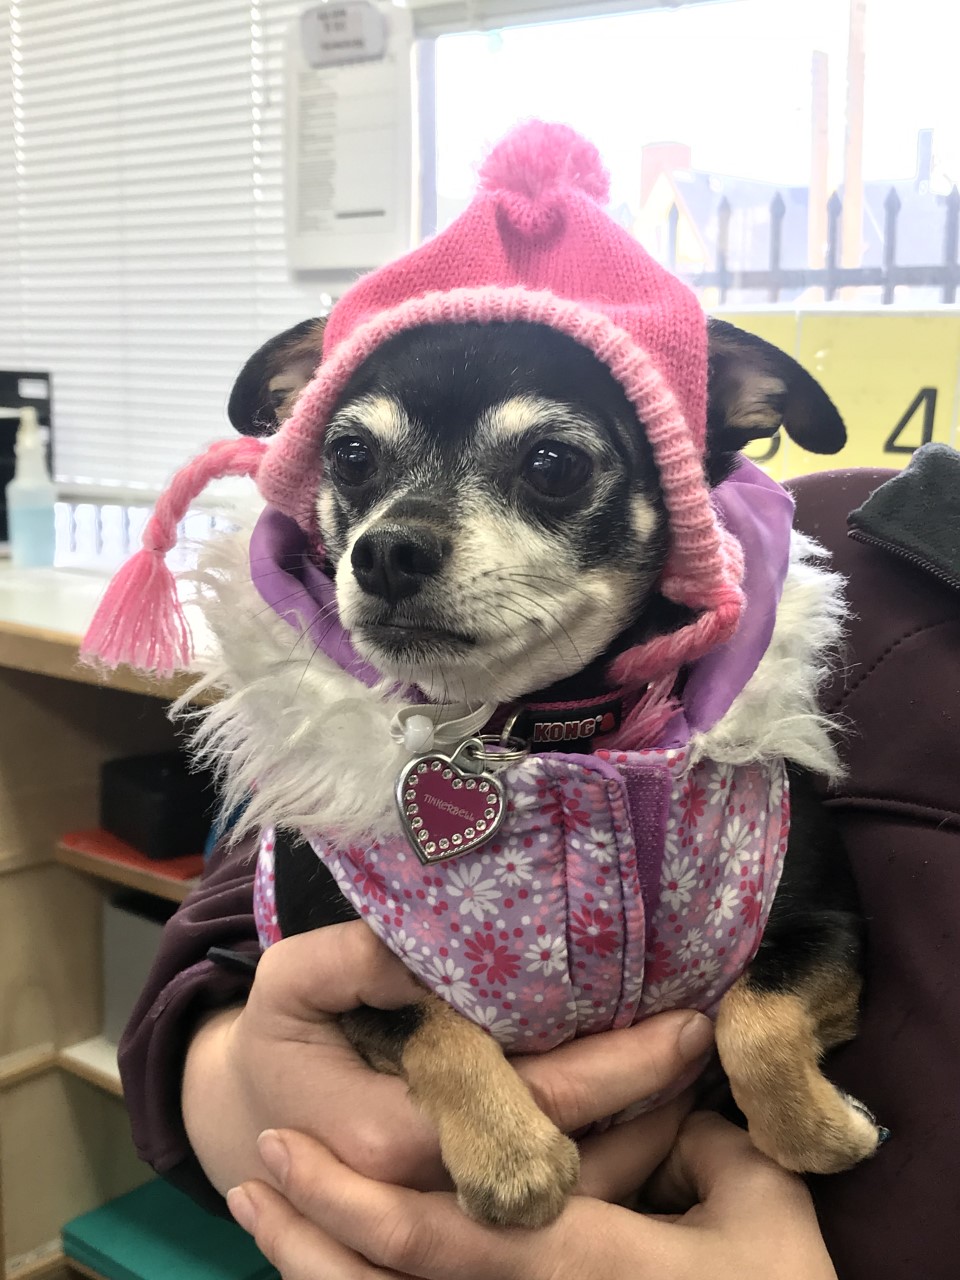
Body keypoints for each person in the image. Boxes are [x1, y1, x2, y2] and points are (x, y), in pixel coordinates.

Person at [119, 443, 960, 1279]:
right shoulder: (851, 549)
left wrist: (772, 1057)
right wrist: (234, 1084)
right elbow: (236, 939)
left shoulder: (790, 634)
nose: (391, 537)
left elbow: (813, 931)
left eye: (550, 467)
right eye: (355, 458)